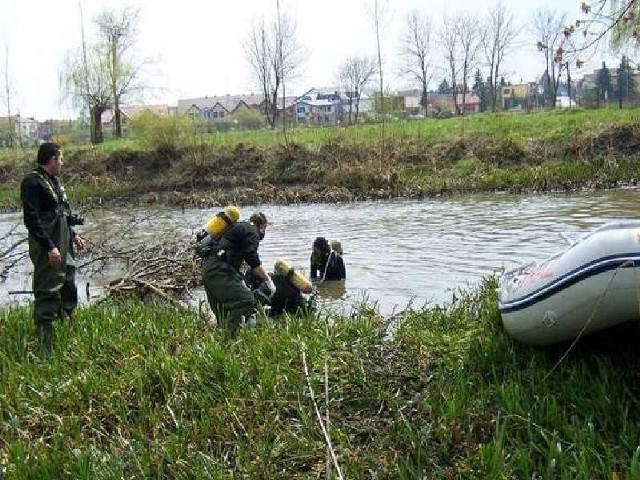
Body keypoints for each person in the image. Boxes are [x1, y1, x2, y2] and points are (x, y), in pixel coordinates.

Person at [20, 142, 85, 353]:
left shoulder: (54, 181)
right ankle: (45, 342)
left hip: (64, 241)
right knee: (48, 286)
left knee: (68, 281)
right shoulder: (32, 182)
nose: (63, 164)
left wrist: (74, 236)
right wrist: (49, 247)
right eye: (61, 159)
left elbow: (61, 213)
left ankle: (66, 328)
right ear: (52, 159)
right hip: (47, 244)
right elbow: (31, 219)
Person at [201, 211, 274, 334]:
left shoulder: (237, 228)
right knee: (246, 302)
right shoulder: (252, 231)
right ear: (262, 226)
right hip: (219, 270)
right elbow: (252, 258)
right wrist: (268, 281)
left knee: (224, 313)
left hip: (208, 269)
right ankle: (229, 340)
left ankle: (224, 344)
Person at [246, 259, 314, 317]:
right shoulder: (294, 283)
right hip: (300, 309)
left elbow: (256, 302)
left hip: (284, 312)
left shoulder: (269, 284)